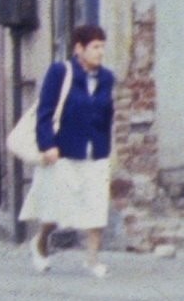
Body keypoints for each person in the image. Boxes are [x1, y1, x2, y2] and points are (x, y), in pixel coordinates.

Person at [23, 22, 117, 275]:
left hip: (95, 152)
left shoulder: (107, 78)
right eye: (95, 47)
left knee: (96, 206)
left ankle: (93, 259)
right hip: (63, 151)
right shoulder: (60, 73)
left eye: (102, 47)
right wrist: (48, 145)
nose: (100, 52)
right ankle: (41, 243)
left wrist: (106, 149)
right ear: (79, 48)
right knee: (56, 209)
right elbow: (45, 112)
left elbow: (107, 115)